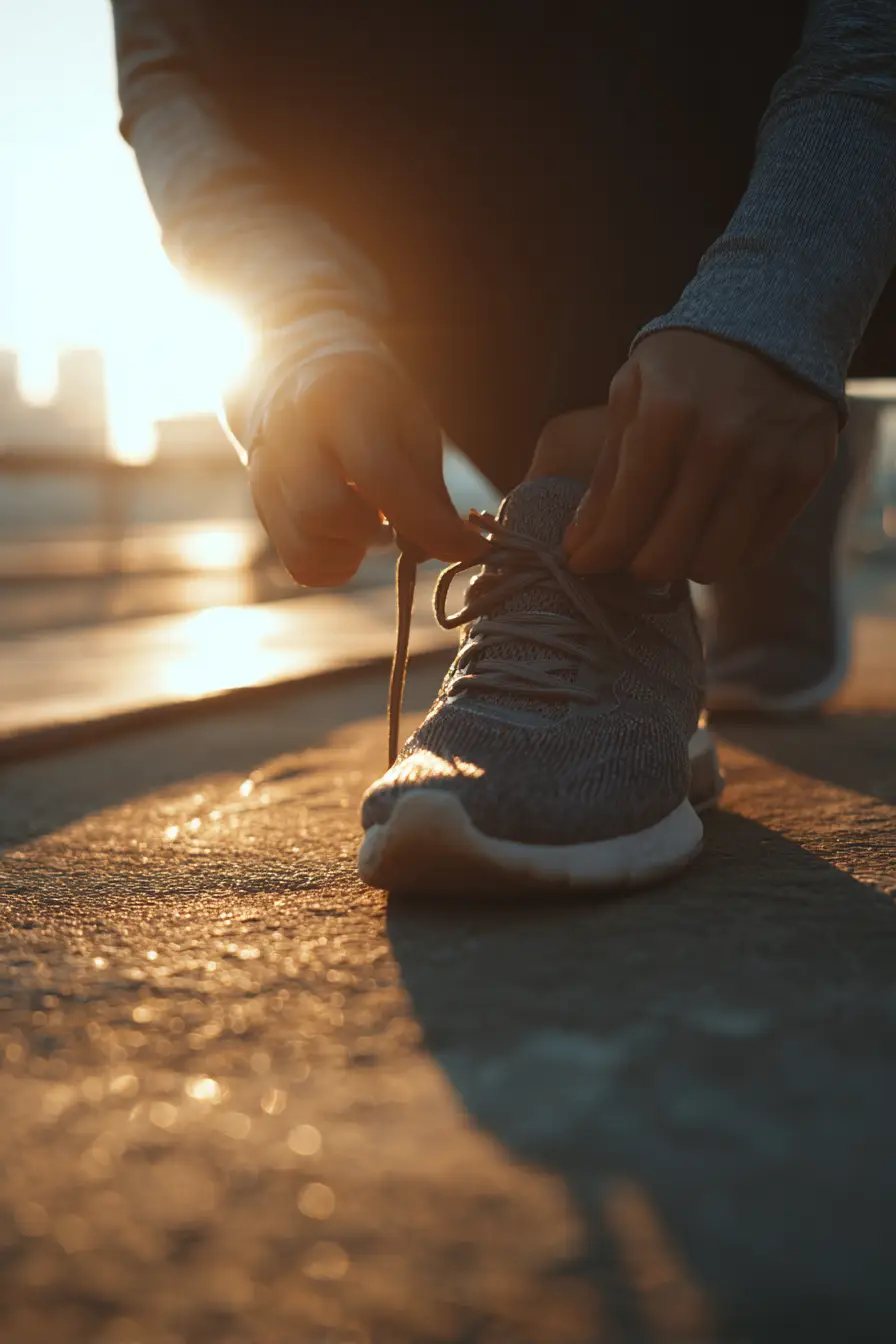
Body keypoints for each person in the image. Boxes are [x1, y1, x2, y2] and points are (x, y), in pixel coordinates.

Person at [111, 1, 896, 893]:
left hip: (792, 111)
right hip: (485, 238)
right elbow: (173, 67)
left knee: (773, 665)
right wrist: (299, 330)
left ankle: (707, 442)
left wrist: (783, 297)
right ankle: (623, 487)